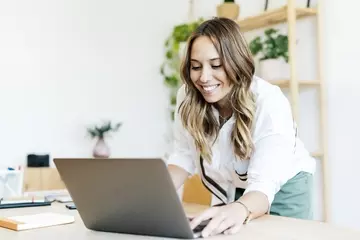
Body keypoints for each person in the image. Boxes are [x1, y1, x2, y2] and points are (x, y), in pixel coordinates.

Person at [166, 17, 316, 237]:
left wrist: (241, 208)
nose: (204, 77)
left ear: (236, 62)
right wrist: (148, 200)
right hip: (237, 186)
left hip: (284, 189)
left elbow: (263, 185)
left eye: (216, 65)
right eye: (195, 67)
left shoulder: (268, 101)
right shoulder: (187, 97)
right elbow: (183, 155)